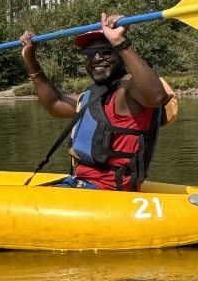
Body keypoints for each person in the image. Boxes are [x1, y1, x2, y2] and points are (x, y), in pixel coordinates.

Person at [19, 13, 177, 191]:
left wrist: (119, 41)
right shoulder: (94, 94)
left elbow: (156, 97)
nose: (96, 58)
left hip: (107, 190)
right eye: (89, 54)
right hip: (83, 182)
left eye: (105, 51)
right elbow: (55, 104)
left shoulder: (130, 87)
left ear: (119, 53)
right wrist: (30, 59)